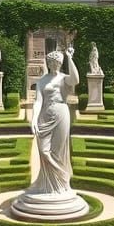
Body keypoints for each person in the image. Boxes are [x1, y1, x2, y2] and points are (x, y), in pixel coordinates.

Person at [26, 46, 79, 196]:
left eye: (58, 62)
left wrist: (69, 58)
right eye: (53, 62)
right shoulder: (42, 81)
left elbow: (75, 79)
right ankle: (47, 183)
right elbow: (38, 101)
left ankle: (61, 183)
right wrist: (34, 119)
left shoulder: (63, 78)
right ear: (48, 63)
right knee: (44, 150)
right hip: (45, 116)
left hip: (61, 114)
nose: (56, 64)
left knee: (58, 151)